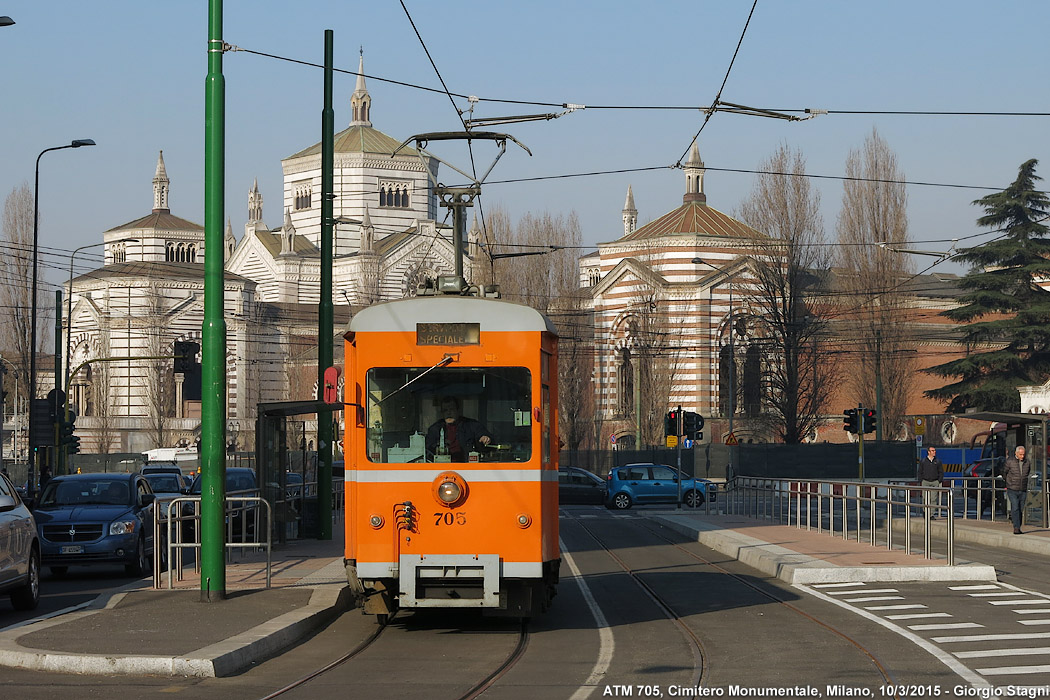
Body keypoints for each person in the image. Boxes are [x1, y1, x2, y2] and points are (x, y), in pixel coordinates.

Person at [425, 396, 492, 463]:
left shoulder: (471, 425)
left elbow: (483, 436)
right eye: (445, 410)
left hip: (466, 466)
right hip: (441, 467)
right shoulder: (435, 429)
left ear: (458, 410)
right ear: (442, 413)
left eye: (451, 409)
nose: (448, 413)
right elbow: (428, 450)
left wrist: (485, 438)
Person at [1003, 445, 1031, 535]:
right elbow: (1004, 472)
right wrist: (1008, 482)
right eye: (1020, 454)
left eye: (1023, 454)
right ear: (1016, 453)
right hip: (1012, 488)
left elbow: (1028, 472)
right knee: (1015, 507)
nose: (1022, 456)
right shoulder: (1010, 461)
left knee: (1020, 508)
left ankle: (1018, 525)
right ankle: (1016, 527)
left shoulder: (1027, 462)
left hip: (1023, 489)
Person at [918, 446, 944, 518]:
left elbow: (941, 472)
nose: (934, 452)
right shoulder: (923, 461)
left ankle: (931, 514)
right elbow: (920, 471)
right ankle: (925, 511)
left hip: (934, 482)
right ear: (928, 452)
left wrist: (939, 481)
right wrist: (921, 480)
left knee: (933, 499)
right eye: (932, 451)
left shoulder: (938, 461)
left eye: (934, 450)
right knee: (925, 498)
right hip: (925, 481)